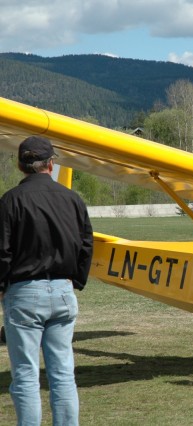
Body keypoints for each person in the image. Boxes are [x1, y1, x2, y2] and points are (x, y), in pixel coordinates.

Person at [0, 135, 94, 426]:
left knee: (26, 376)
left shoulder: (11, 200)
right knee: (63, 375)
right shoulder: (72, 199)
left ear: (20, 165)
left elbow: (2, 251)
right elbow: (86, 244)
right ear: (50, 164)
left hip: (24, 292)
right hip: (63, 290)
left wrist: (1, 288)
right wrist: (75, 280)